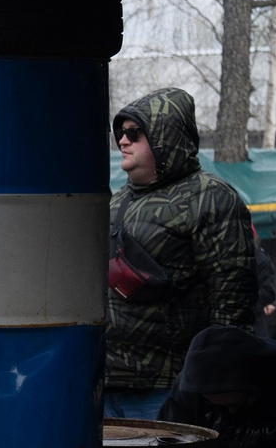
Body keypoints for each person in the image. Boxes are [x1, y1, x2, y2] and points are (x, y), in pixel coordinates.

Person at [105, 89, 257, 418]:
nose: (123, 141)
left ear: (165, 137)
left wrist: (219, 383)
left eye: (134, 133)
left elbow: (233, 296)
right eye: (121, 133)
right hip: (105, 382)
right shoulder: (118, 200)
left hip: (168, 389)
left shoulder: (211, 197)